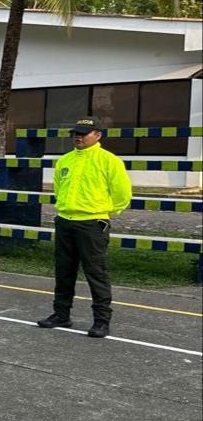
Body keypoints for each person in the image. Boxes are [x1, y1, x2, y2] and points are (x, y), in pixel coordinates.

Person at [37, 116, 131, 338]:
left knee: (95, 272)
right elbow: (59, 188)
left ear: (97, 135)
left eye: (83, 133)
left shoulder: (109, 161)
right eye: (75, 133)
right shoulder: (65, 160)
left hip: (92, 223)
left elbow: (122, 194)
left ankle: (101, 320)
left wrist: (104, 211)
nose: (78, 137)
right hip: (65, 220)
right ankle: (61, 314)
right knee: (64, 271)